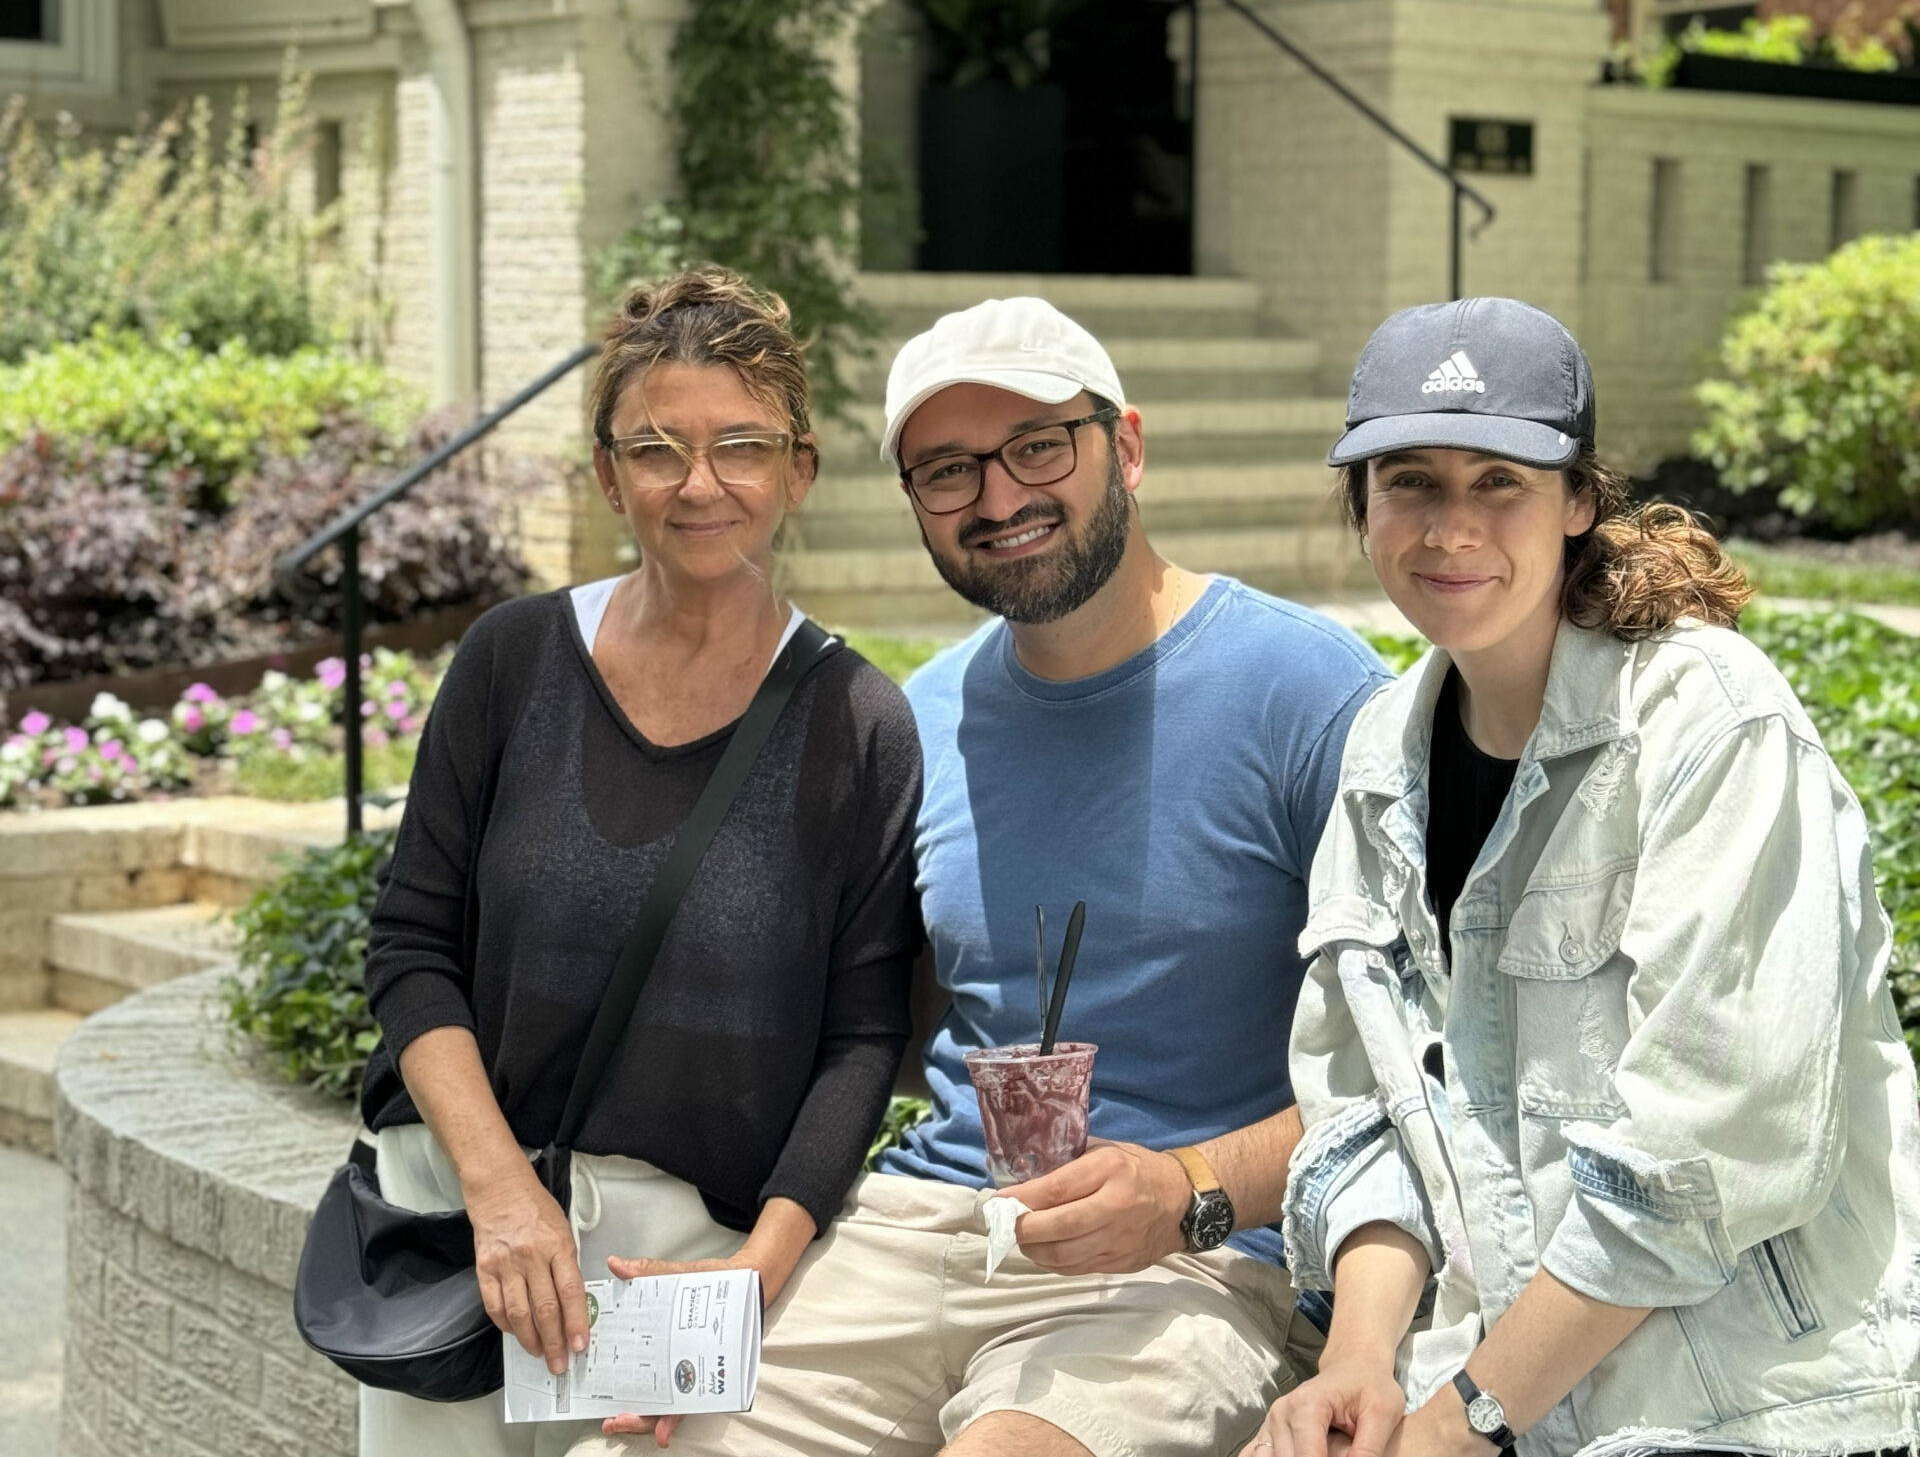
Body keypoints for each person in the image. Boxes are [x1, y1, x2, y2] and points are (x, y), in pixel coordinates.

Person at [631, 295, 1388, 1457]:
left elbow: (1425, 1066)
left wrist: (1192, 1185)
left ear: (1125, 445)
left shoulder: (1310, 692)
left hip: (1185, 1269)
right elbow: (862, 1032)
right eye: (947, 471)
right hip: (914, 1229)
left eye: (1038, 446)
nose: (996, 499)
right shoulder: (919, 715)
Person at [1257, 297, 1920, 1457]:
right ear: (1363, 506)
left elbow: (1705, 1155)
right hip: (1497, 1391)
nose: (1450, 527)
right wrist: (1359, 1363)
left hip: (1751, 1408)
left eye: (1499, 481)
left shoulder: (1712, 725)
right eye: (1410, 481)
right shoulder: (1378, 758)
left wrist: (1462, 1418)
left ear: (1577, 501)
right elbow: (1369, 1113)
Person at [355, 267, 925, 1457]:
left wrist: (753, 1277)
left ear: (799, 470)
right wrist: (500, 1192)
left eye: (741, 447)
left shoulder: (859, 724)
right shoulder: (512, 662)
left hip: (681, 1263)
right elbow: (410, 947)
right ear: (609, 475)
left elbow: (862, 1036)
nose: (699, 483)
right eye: (657, 449)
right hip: (464, 1218)